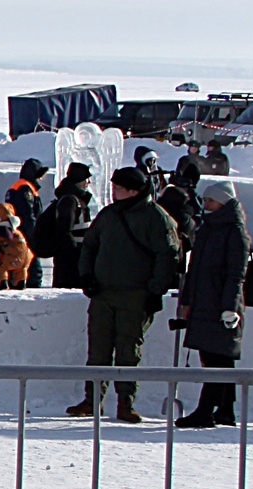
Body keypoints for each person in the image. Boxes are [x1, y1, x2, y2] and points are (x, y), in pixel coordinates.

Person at [67, 168, 182, 422]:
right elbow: (90, 246)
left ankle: (125, 403)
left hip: (136, 296)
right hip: (104, 294)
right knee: (98, 350)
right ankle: (92, 400)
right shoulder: (109, 215)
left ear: (133, 190)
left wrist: (155, 290)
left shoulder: (156, 217)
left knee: (128, 352)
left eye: (118, 187)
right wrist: (86, 276)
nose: (113, 191)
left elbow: (168, 256)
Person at [175, 176, 252, 430]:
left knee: (215, 360)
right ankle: (225, 409)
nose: (205, 203)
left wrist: (230, 307)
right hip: (206, 302)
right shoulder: (210, 228)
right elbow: (195, 269)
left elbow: (236, 274)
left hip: (218, 304)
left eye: (210, 200)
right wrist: (187, 300)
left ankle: (206, 410)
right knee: (219, 357)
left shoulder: (232, 232)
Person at [33, 163, 95, 290]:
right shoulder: (70, 200)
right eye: (86, 178)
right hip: (70, 263)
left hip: (72, 258)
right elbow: (64, 231)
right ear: (79, 179)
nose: (88, 182)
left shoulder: (74, 198)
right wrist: (76, 254)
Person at [5, 159, 49, 285]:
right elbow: (28, 216)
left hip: (19, 236)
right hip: (25, 237)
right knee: (34, 273)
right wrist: (35, 239)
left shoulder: (19, 186)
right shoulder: (25, 189)